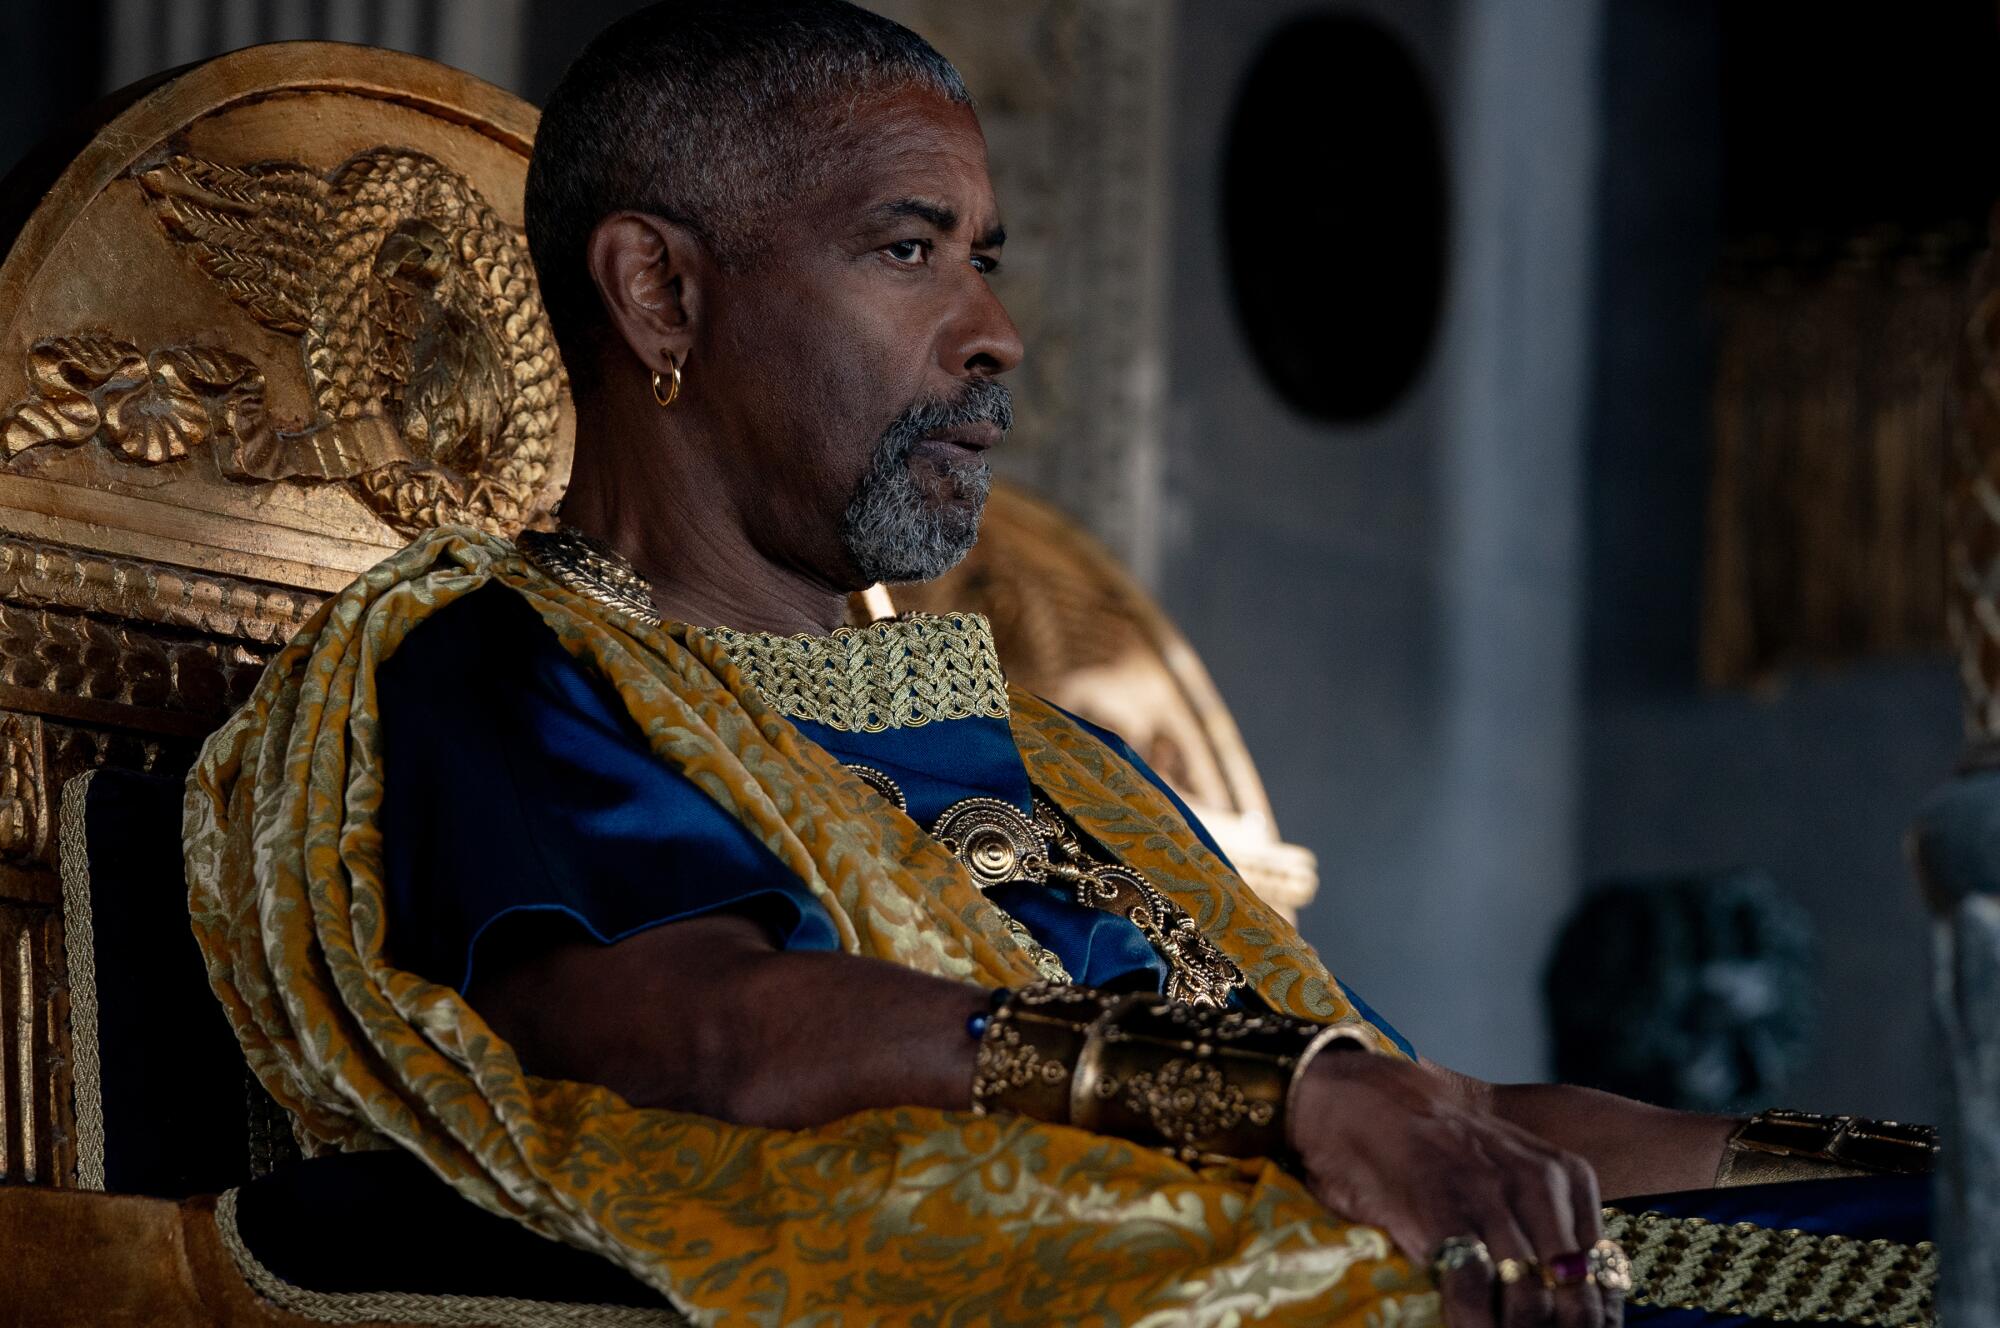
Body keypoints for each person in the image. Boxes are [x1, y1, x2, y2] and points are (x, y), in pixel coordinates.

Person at [182, 4, 1935, 1325]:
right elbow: (709, 1035)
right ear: (660, 296)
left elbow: (1434, 1108)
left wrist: (1883, 1180)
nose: (996, 329)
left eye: (988, 258)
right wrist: (1292, 1100)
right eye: (907, 248)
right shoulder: (502, 664)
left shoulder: (1072, 763)